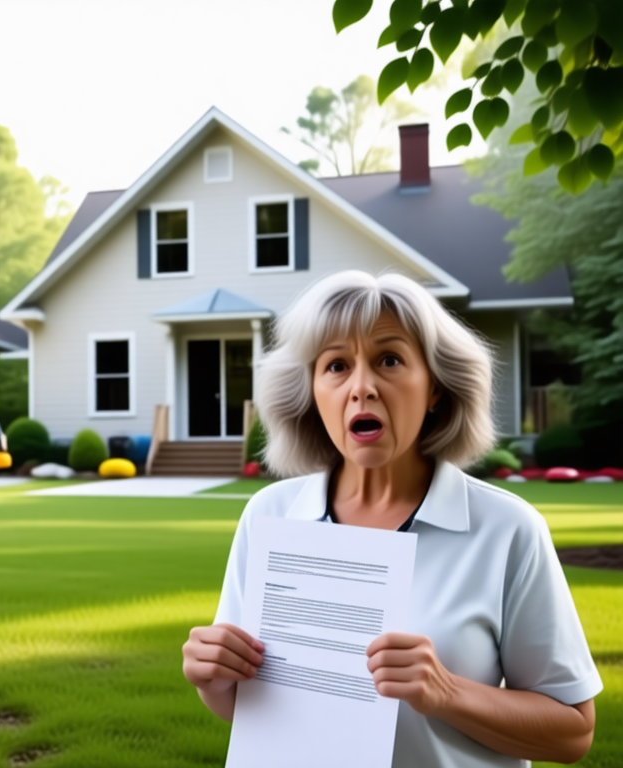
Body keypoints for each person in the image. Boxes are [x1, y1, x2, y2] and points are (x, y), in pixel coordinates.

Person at [181, 272, 599, 767]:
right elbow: (251, 708)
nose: (362, 387)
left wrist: (447, 693)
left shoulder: (508, 529)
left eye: (390, 360)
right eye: (336, 365)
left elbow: (571, 734)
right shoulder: (270, 516)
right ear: (313, 392)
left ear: (436, 388)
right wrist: (213, 679)